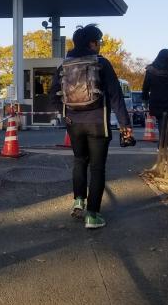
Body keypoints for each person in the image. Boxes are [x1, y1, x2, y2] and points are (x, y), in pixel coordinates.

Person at [50, 24, 133, 229]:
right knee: (97, 168)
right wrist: (125, 125)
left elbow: (53, 95)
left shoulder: (64, 65)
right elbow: (115, 96)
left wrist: (65, 116)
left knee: (79, 162)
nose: (100, 45)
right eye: (99, 42)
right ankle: (93, 215)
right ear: (92, 42)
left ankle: (78, 200)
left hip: (73, 124)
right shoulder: (101, 63)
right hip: (98, 123)